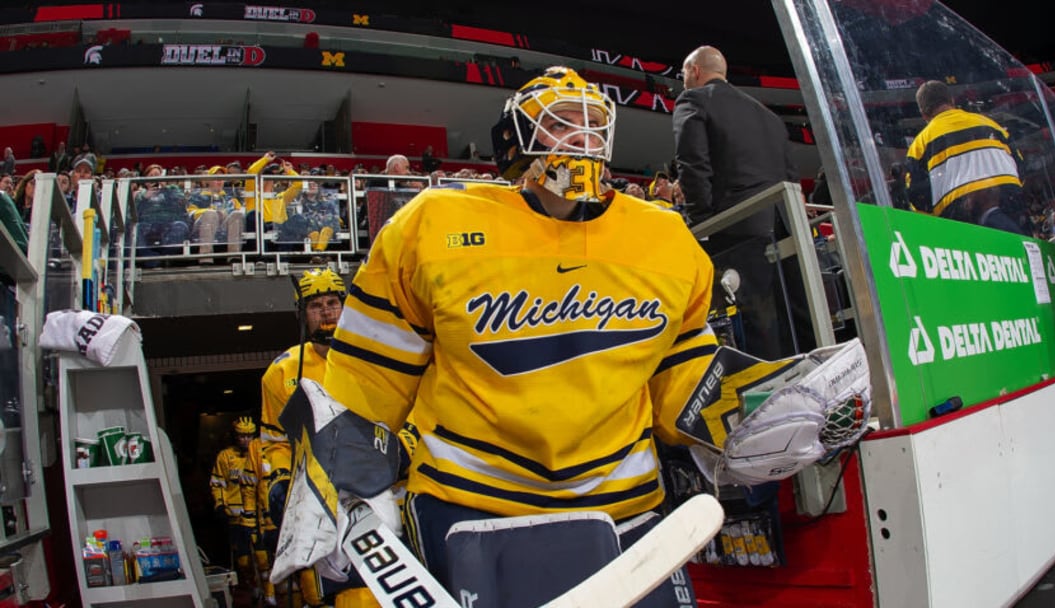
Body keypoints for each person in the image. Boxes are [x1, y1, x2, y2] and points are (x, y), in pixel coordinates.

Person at [274, 66, 724, 607]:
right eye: (562, 124)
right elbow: (370, 375)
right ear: (516, 140)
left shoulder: (666, 238)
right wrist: (345, 487)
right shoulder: (434, 224)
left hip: (625, 510)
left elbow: (684, 376)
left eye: (591, 124)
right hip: (470, 508)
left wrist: (740, 422)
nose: (582, 138)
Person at [673, 45, 803, 360]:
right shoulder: (769, 116)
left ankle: (769, 396)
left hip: (736, 228)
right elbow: (791, 176)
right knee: (794, 319)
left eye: (684, 74)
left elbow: (693, 165)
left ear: (695, 71)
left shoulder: (693, 100)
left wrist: (702, 222)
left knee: (756, 321)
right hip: (784, 225)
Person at [259, 268, 366, 607]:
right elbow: (273, 440)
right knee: (321, 594)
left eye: (333, 302)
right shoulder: (282, 371)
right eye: (315, 305)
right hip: (317, 503)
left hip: (373, 494)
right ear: (302, 313)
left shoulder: (373, 359)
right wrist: (277, 481)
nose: (326, 312)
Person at [904, 80, 1027, 235]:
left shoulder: (919, 146)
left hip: (961, 223)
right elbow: (1021, 166)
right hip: (1009, 205)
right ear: (952, 101)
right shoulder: (991, 124)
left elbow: (917, 198)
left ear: (924, 114)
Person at [210, 416, 258, 592]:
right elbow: (218, 483)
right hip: (235, 517)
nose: (246, 440)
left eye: (249, 436)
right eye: (242, 436)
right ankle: (251, 584)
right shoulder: (225, 457)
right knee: (243, 559)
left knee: (263, 556)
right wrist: (220, 505)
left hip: (256, 516)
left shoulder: (260, 454)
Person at [186, 165, 245, 260]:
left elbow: (240, 211)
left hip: (224, 226)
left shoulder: (230, 198)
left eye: (221, 178)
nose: (219, 181)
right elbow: (190, 213)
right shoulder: (197, 196)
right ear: (208, 180)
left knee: (236, 215)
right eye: (216, 178)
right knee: (210, 214)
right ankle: (206, 256)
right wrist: (211, 212)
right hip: (202, 226)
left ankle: (234, 256)